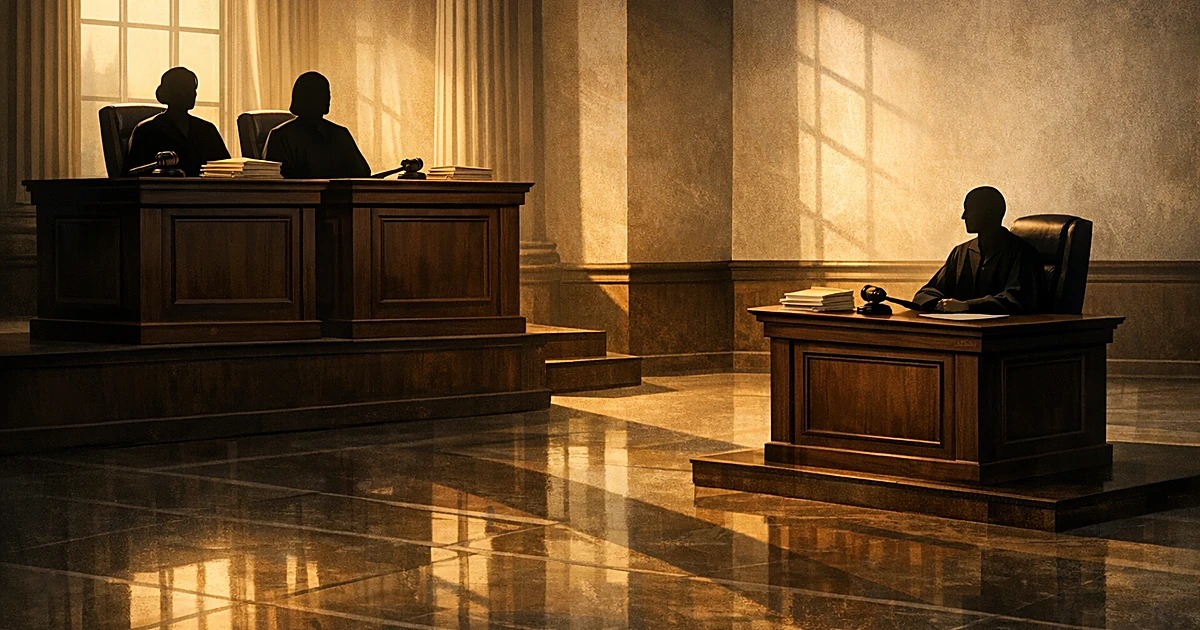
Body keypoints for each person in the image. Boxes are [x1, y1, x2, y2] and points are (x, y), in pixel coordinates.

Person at [913, 186, 1044, 314]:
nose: (963, 216)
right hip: (960, 326)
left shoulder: (1024, 254)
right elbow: (928, 292)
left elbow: (1017, 300)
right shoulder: (961, 252)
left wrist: (967, 306)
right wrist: (938, 304)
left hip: (1005, 327)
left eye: (969, 210)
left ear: (989, 213)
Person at [125, 67, 230, 176]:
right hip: (164, 187)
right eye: (184, 89)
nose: (193, 94)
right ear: (169, 92)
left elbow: (226, 170)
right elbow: (131, 176)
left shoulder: (207, 130)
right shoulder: (146, 131)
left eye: (193, 89)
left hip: (203, 187)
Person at [263, 72, 371, 179]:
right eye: (320, 94)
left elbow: (363, 174)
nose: (328, 99)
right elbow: (276, 181)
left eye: (327, 94)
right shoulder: (281, 137)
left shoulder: (340, 134)